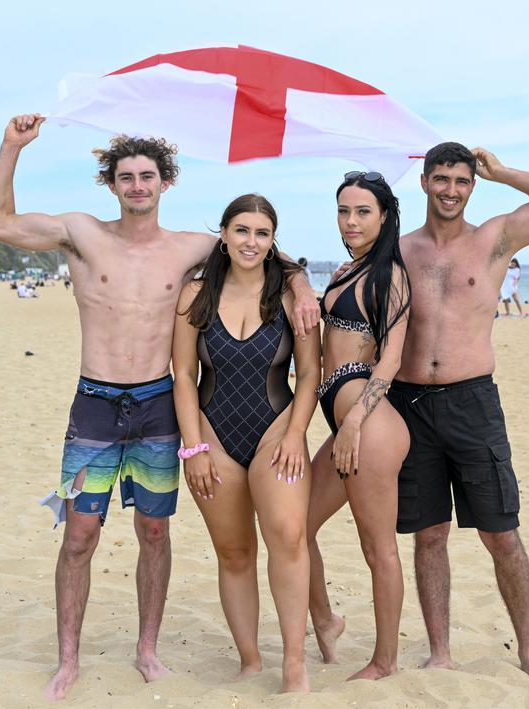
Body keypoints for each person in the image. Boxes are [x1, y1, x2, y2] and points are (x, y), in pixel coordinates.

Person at [0, 113, 318, 701]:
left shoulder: (191, 248)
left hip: (158, 404)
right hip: (95, 403)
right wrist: (12, 147)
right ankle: (67, 660)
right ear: (111, 183)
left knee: (154, 532)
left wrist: (304, 284)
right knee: (79, 535)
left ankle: (148, 650)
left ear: (166, 184)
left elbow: (256, 248)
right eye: (127, 177)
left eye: (148, 176)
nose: (138, 186)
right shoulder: (81, 233)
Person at [388, 142, 529, 681]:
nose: (451, 190)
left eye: (462, 181)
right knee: (429, 535)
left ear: (472, 186)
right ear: (424, 181)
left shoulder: (494, 239)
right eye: (442, 179)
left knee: (501, 533)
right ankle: (440, 651)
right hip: (409, 405)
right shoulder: (399, 249)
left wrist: (502, 172)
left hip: (472, 401)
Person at [172, 194, 320, 693]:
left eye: (261, 233)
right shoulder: (196, 295)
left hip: (276, 430)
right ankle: (251, 660)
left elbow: (311, 374)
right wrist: (193, 448)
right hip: (213, 435)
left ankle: (294, 664)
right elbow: (183, 377)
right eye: (241, 230)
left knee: (288, 536)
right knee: (234, 552)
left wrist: (297, 434)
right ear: (224, 234)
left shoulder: (288, 298)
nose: (250, 241)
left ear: (273, 240)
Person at [306, 171, 411, 681]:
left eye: (362, 211)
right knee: (295, 527)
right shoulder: (347, 270)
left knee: (378, 549)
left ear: (385, 216)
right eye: (344, 211)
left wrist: (352, 424)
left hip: (367, 423)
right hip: (345, 416)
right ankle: (326, 621)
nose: (351, 221)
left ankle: (385, 662)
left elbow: (389, 359)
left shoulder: (389, 273)